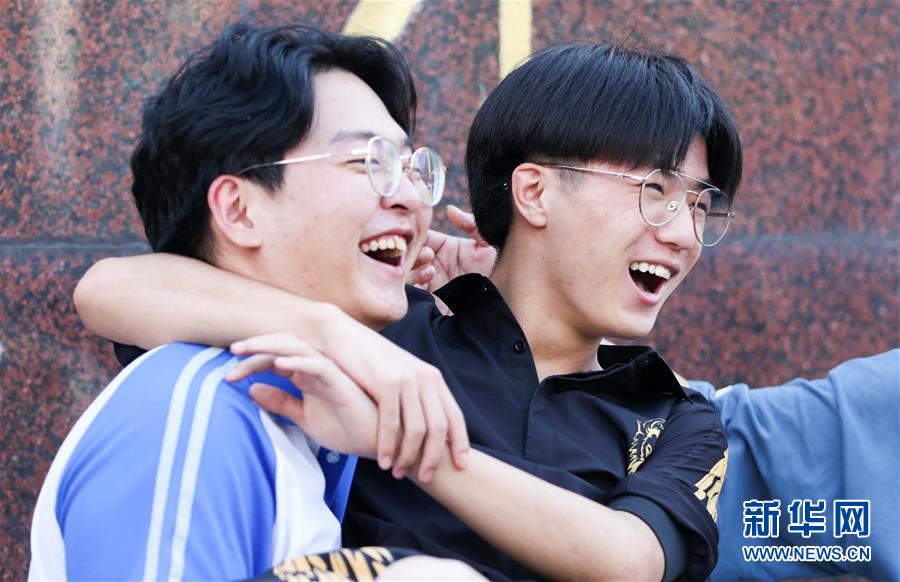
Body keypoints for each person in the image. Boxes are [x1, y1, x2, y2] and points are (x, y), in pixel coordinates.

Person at [74, 42, 741, 580]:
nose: (684, 235)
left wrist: (402, 442)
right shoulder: (385, 332)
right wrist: (341, 338)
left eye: (699, 206)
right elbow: (109, 290)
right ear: (535, 193)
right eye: (654, 192)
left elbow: (630, 562)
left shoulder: (679, 418)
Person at [29, 22, 479, 580]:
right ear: (239, 211)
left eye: (412, 168)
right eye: (369, 162)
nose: (410, 196)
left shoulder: (302, 421)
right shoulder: (197, 408)